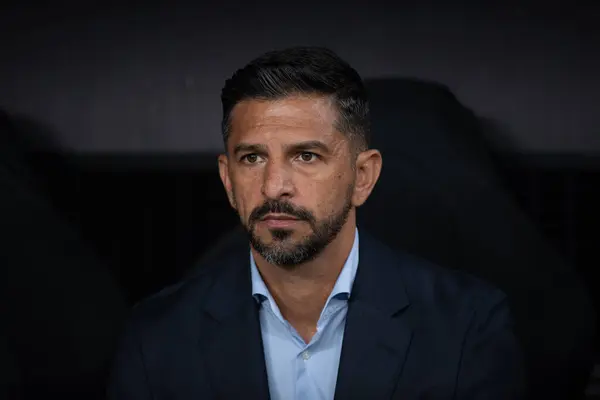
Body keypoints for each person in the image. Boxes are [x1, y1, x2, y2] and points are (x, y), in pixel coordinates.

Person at [107, 46, 525, 399]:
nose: (274, 187)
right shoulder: (157, 337)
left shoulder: (467, 326)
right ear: (227, 179)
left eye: (306, 156)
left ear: (363, 177)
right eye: (252, 158)